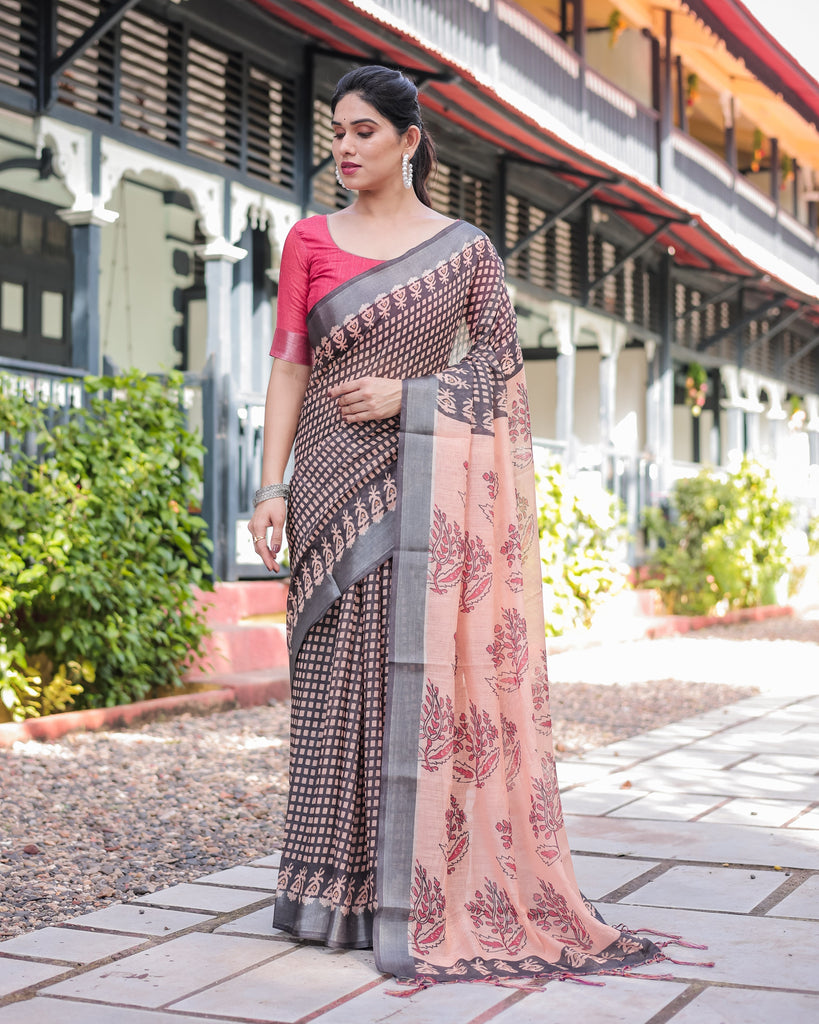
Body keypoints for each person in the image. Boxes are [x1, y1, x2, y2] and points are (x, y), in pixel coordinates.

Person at [248, 65, 673, 988]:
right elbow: (288, 366)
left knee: (408, 676)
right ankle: (326, 890)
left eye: (363, 130)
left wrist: (408, 393)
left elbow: (500, 369)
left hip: (419, 478)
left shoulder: (464, 249)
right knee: (328, 680)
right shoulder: (308, 239)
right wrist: (270, 484)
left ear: (408, 140)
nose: (344, 146)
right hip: (324, 478)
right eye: (336, 130)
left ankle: (405, 891)